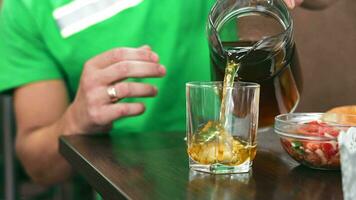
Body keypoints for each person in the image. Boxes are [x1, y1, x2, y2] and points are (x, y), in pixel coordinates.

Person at [0, 0, 302, 186]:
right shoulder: (25, 8)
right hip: (125, 186)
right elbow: (38, 165)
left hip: (253, 170)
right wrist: (76, 121)